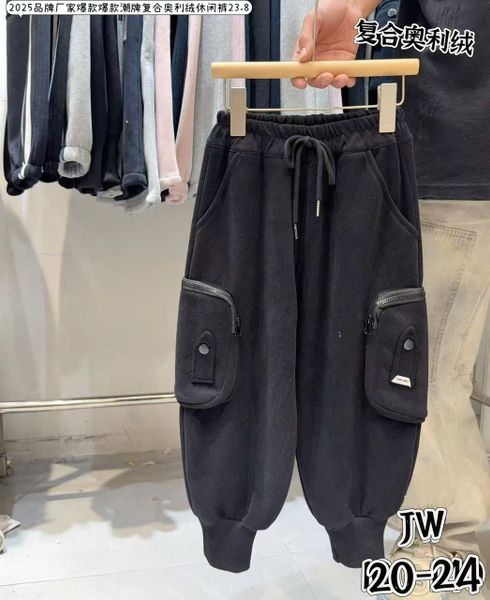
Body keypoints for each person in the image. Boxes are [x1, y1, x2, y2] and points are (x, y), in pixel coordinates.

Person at [294, 2, 490, 599]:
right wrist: (354, 10)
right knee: (449, 374)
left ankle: (443, 555)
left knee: (422, 377)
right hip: (449, 156)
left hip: (452, 156)